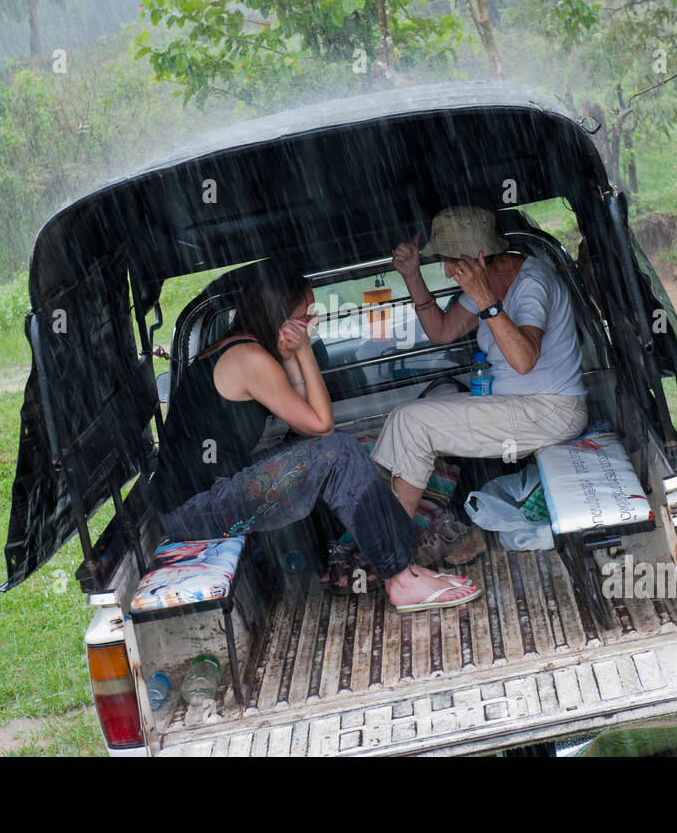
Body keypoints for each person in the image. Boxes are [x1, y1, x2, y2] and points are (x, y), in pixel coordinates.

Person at [149, 258, 480, 612]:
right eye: (306, 316)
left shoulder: (246, 348)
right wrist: (305, 349)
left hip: (208, 497)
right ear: (281, 318)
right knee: (338, 450)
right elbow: (323, 427)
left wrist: (292, 357)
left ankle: (397, 558)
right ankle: (401, 578)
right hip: (198, 509)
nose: (313, 322)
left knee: (343, 450)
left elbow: (305, 424)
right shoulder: (248, 358)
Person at [371, 206, 589, 561]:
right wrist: (412, 276)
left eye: (449, 260)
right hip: (518, 408)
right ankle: (382, 537)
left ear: (479, 257)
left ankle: (393, 560)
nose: (444, 270)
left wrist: (486, 300)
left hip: (552, 410)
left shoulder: (532, 283)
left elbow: (524, 360)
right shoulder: (484, 283)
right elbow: (442, 332)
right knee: (401, 417)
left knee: (412, 422)